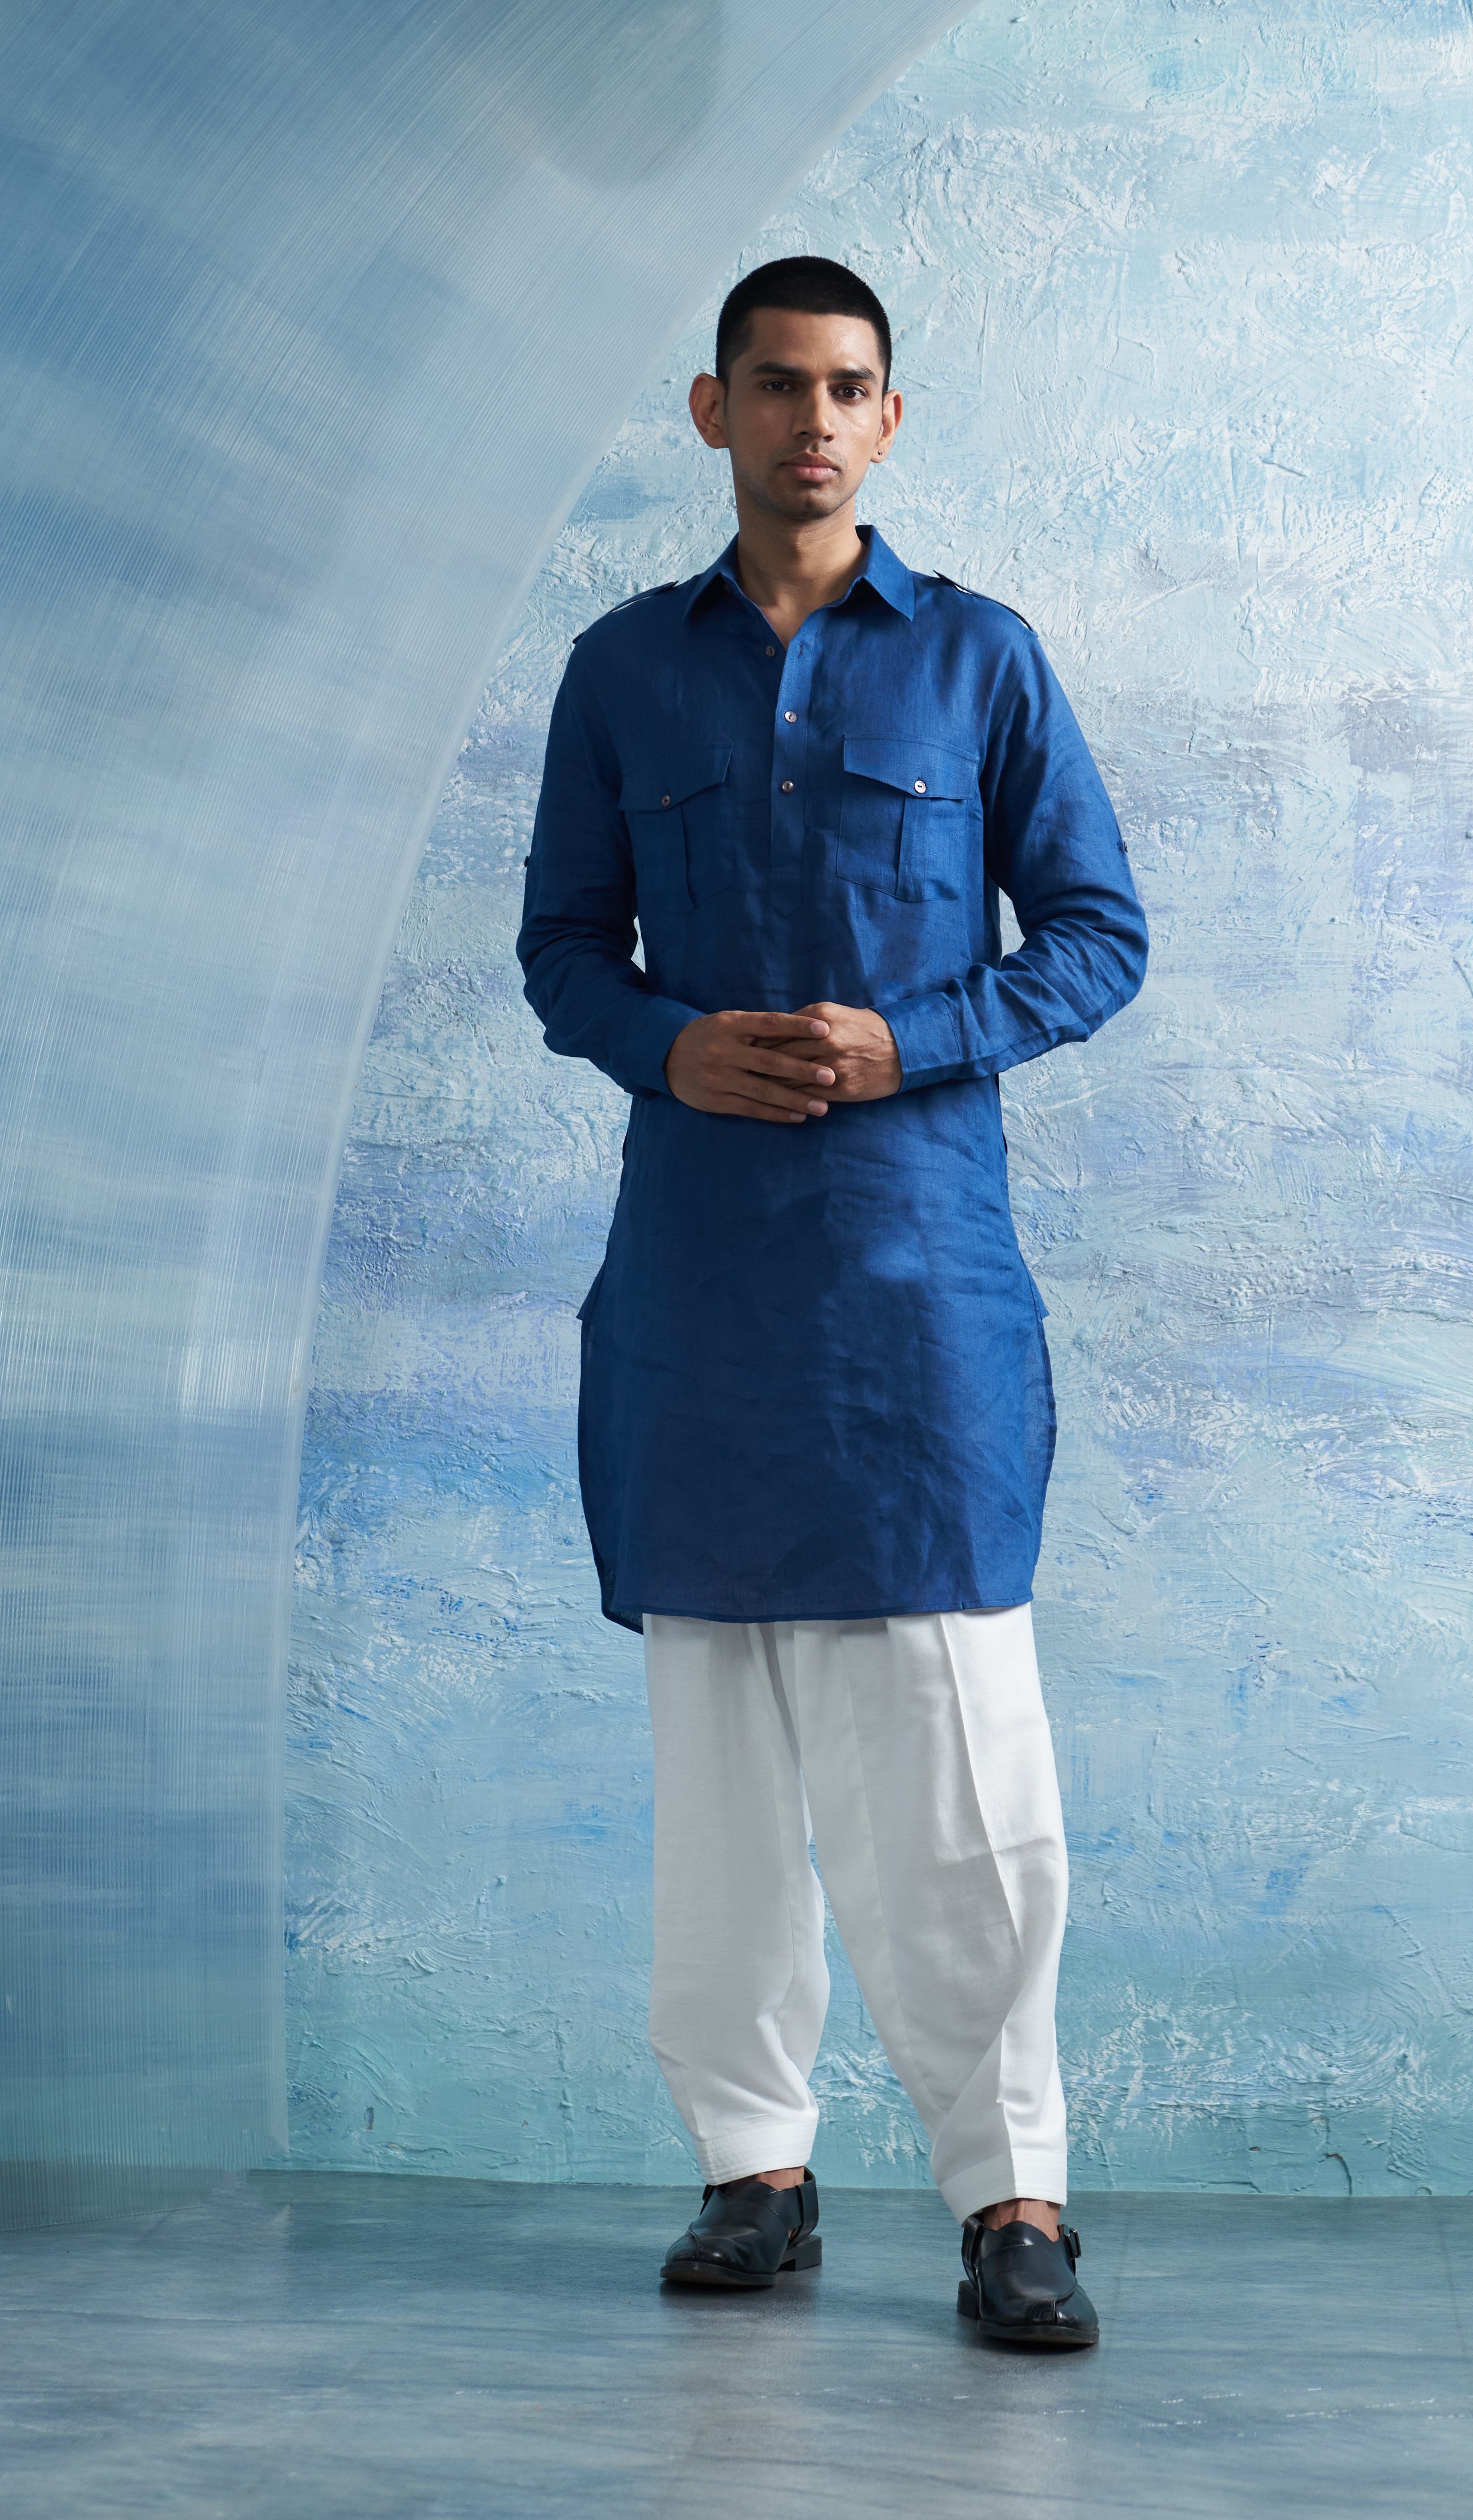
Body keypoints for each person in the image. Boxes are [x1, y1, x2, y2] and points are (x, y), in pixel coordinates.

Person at [517, 256, 1146, 2350]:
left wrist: (912, 1039)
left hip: (914, 1288)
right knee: (717, 1770)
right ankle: (751, 2171)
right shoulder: (623, 670)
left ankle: (1013, 2199)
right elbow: (562, 948)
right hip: (696, 1292)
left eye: (848, 387)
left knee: (962, 1770)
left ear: (890, 417)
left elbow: (1098, 934)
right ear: (714, 411)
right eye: (776, 384)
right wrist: (664, 1043)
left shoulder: (980, 661)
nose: (812, 418)